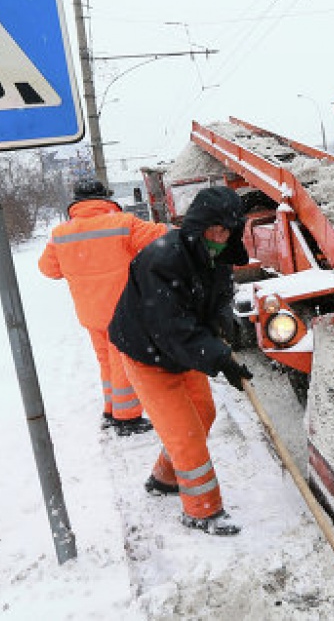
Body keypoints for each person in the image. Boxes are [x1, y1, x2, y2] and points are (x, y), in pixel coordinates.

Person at [108, 186, 252, 536]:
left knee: (203, 413)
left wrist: (223, 320)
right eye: (214, 229)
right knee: (186, 433)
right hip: (147, 354)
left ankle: (164, 478)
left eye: (227, 231)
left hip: (181, 351)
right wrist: (221, 359)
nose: (220, 238)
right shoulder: (163, 260)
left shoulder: (218, 256)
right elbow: (172, 329)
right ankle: (202, 511)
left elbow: (220, 295)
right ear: (198, 224)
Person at [38, 179, 167, 436]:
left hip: (90, 312)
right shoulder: (122, 223)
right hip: (121, 310)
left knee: (106, 362)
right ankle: (127, 418)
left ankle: (111, 410)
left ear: (76, 201)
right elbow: (160, 238)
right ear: (104, 198)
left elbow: (48, 269)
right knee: (123, 362)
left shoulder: (61, 233)